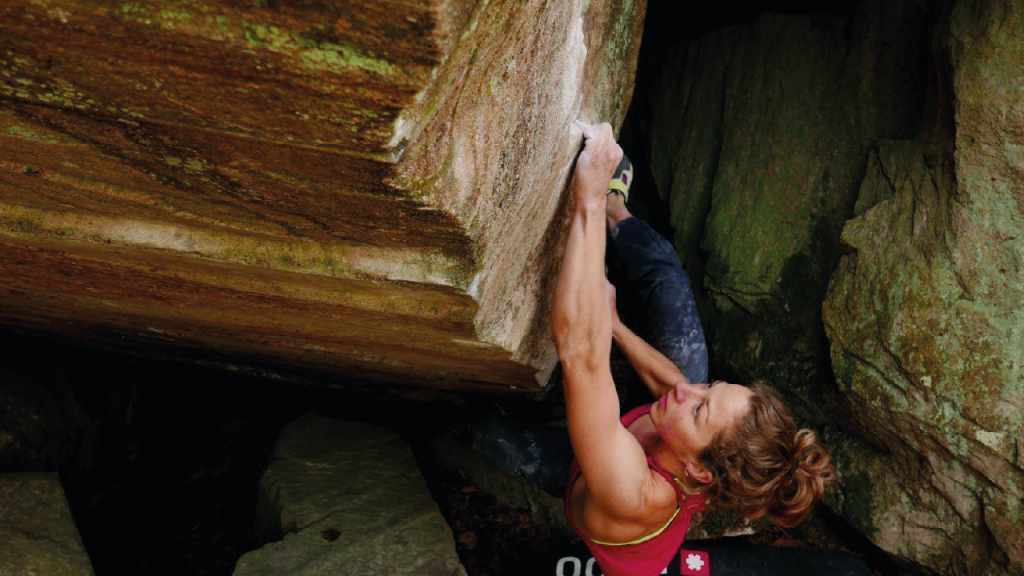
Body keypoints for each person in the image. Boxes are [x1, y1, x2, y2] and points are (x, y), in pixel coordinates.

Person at [461, 122, 835, 576]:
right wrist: (616, 326)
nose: (690, 392)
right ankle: (620, 212)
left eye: (701, 410)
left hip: (586, 473)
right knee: (670, 292)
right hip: (646, 439)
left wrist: (588, 199)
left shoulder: (632, 492)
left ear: (699, 473)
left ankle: (435, 415)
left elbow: (581, 354)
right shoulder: (695, 434)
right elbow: (675, 385)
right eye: (712, 388)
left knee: (482, 430)